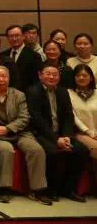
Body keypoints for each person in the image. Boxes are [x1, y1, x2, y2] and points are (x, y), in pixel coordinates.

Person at [0, 66, 50, 204]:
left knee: (36, 150)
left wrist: (8, 128)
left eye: (4, 76)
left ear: (9, 78)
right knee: (6, 149)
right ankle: (4, 188)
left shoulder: (19, 95)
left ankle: (38, 189)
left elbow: (24, 117)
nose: (1, 79)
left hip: (19, 131)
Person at [27, 65, 88, 202]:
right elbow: (37, 120)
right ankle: (51, 189)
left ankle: (69, 189)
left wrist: (66, 136)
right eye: (48, 74)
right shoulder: (33, 91)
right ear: (40, 75)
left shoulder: (63, 91)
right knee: (52, 151)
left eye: (55, 74)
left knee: (81, 150)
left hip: (62, 134)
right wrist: (56, 139)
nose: (51, 77)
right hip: (41, 133)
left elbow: (68, 115)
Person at [68, 64, 97, 186]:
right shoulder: (68, 93)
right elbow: (73, 116)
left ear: (91, 77)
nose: (81, 78)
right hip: (80, 133)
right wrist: (88, 131)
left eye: (85, 75)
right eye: (78, 75)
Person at [2, 25, 43, 92]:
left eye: (17, 35)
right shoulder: (3, 55)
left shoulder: (34, 56)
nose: (14, 39)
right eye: (11, 36)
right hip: (6, 93)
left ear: (23, 36)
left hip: (27, 94)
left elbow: (37, 81)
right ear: (7, 38)